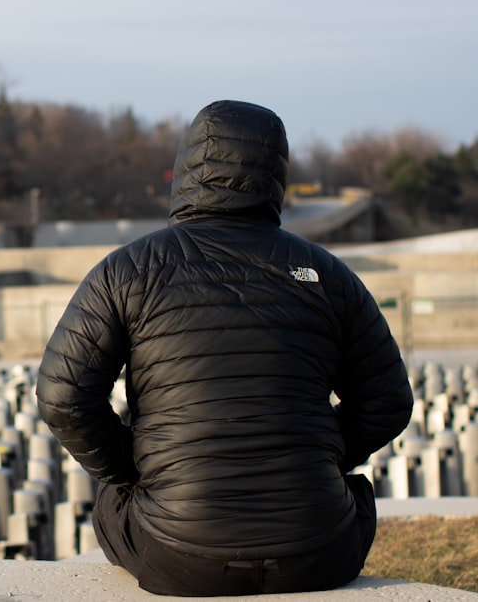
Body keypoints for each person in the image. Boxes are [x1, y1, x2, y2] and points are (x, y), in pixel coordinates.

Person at [36, 100, 414, 596]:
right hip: (319, 552)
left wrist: (134, 469)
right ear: (275, 171)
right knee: (356, 495)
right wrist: (327, 454)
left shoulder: (127, 270)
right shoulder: (327, 273)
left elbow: (63, 397)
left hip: (177, 557)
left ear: (188, 166)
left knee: (111, 497)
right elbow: (389, 402)